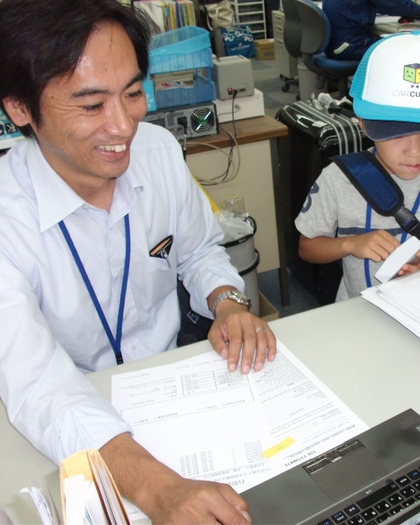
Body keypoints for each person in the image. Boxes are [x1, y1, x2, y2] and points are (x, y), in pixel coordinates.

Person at [0, 0, 276, 523]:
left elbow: (198, 249)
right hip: (62, 427)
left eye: (132, 93)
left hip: (172, 396)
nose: (123, 125)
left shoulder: (159, 151)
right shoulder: (6, 218)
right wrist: (158, 489)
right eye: (90, 105)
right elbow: (39, 384)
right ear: (19, 108)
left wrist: (228, 302)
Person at [295, 32, 420, 301]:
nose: (415, 150)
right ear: (364, 124)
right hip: (356, 308)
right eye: (396, 134)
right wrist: (350, 244)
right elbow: (307, 248)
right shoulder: (337, 180)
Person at [323, 0, 420, 61]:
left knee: (388, 44)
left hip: (336, 44)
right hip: (348, 45)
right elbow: (395, 4)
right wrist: (419, 9)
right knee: (402, 48)